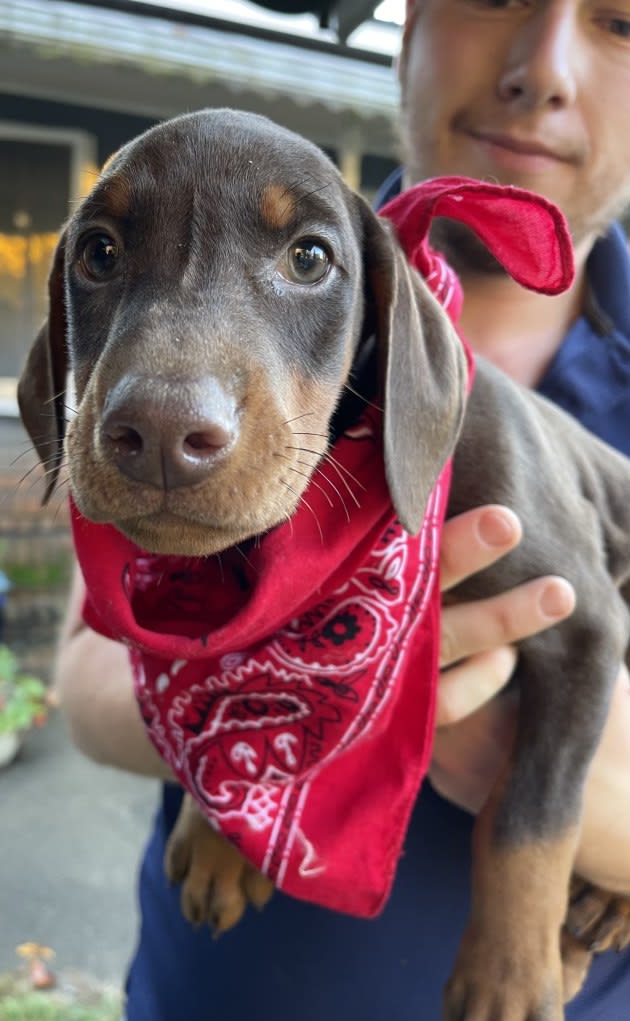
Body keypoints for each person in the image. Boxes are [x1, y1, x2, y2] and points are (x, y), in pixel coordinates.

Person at [54, 0, 630, 1016]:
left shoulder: (459, 411)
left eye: (621, 22)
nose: (542, 69)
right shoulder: (274, 229)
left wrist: (580, 850)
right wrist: (253, 758)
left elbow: (585, 636)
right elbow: (101, 659)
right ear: (406, 25)